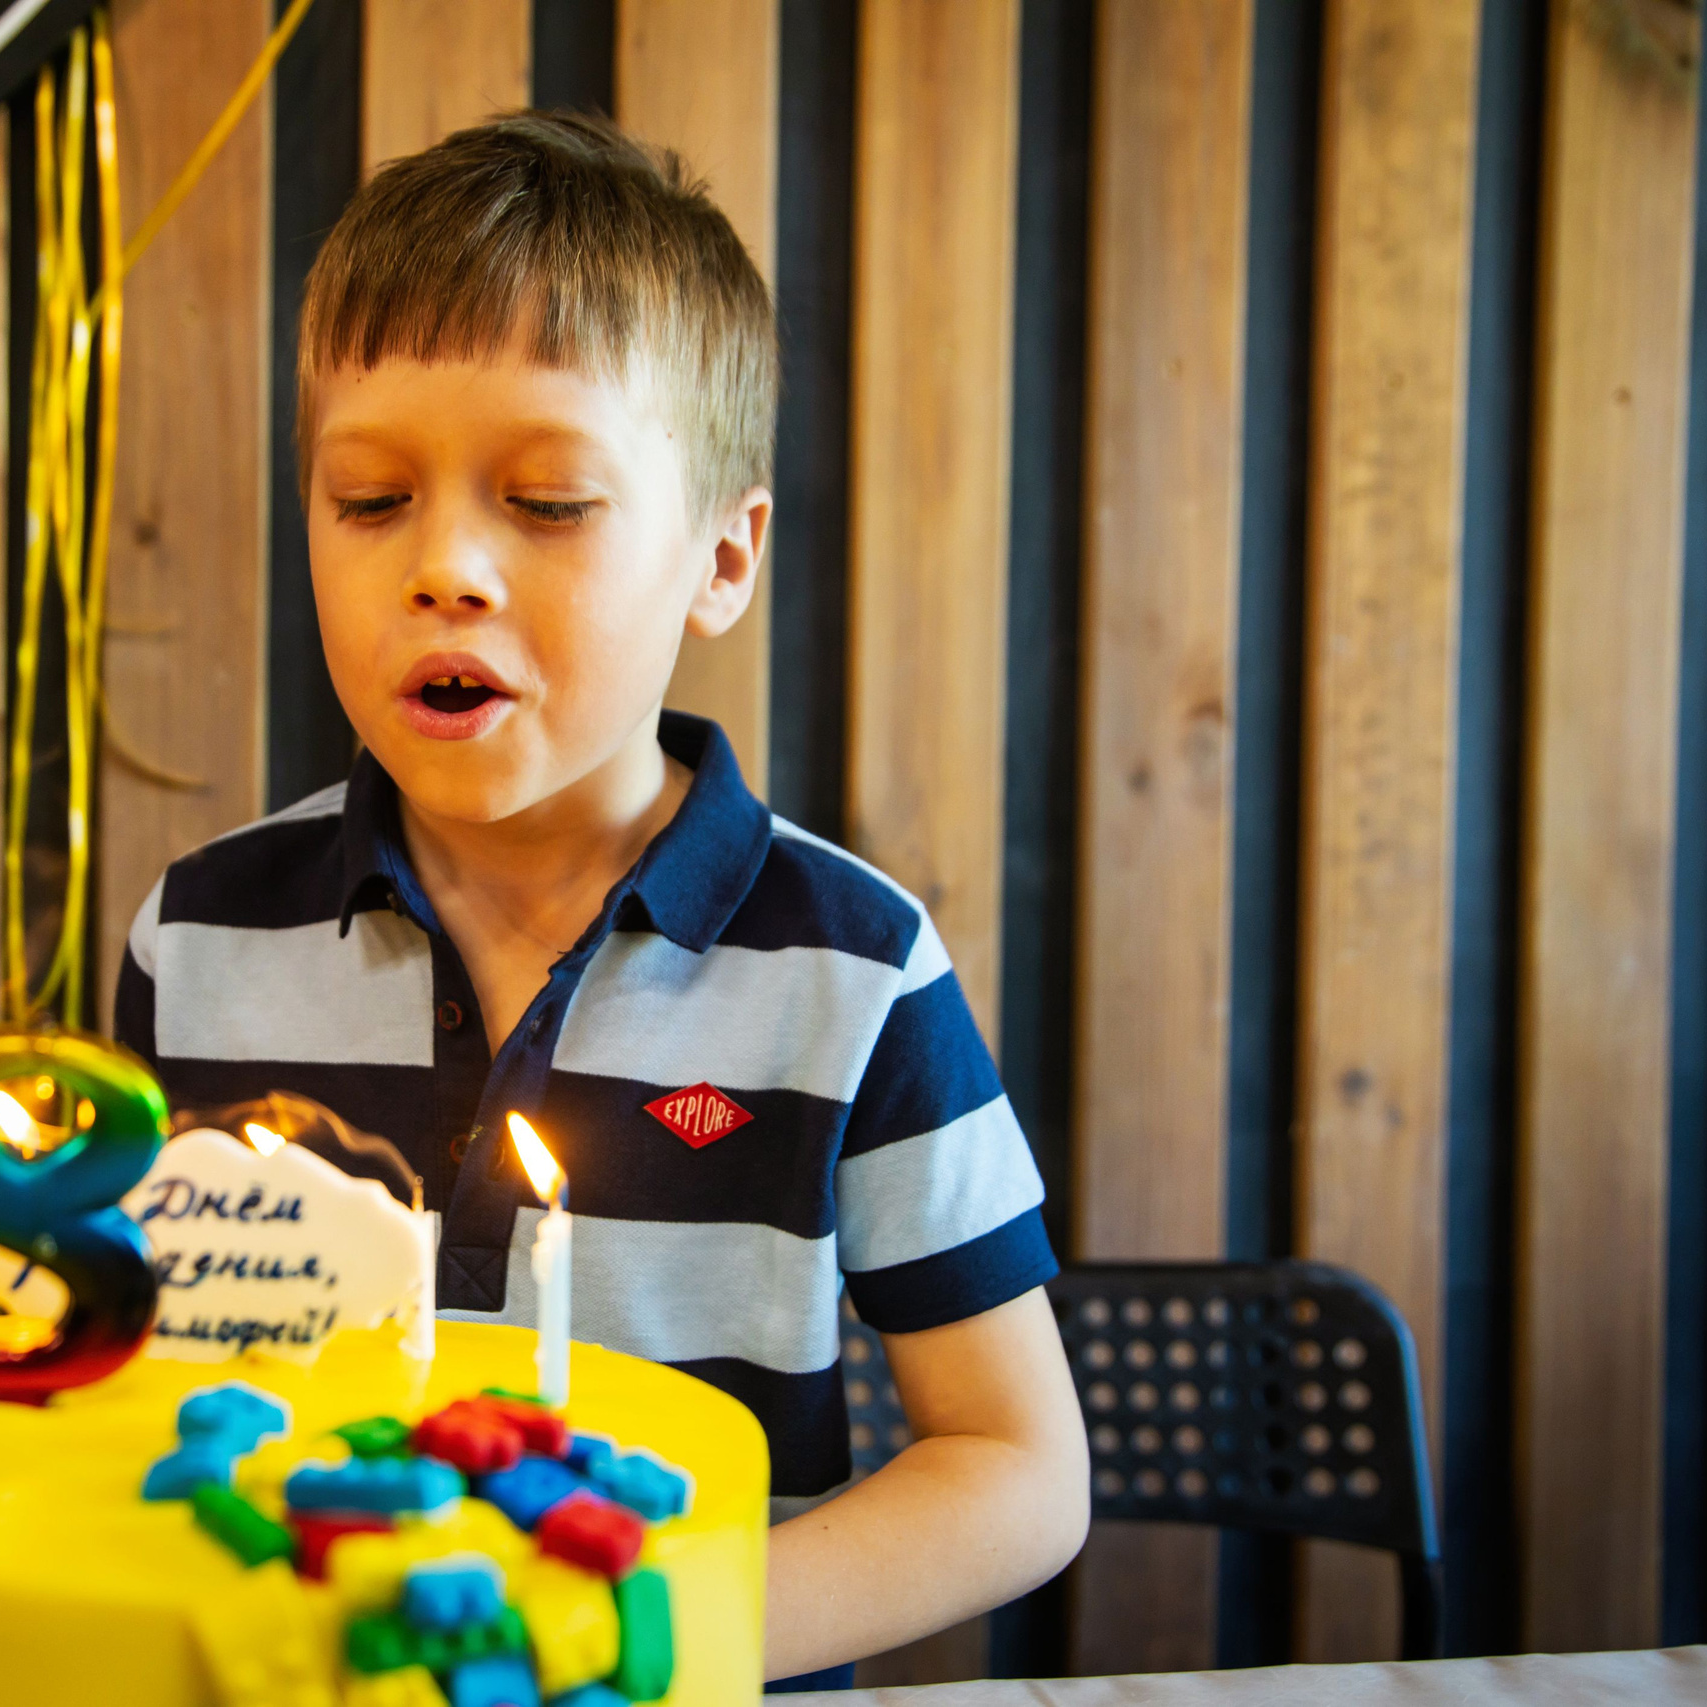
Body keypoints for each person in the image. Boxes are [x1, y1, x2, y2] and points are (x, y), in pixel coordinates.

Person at [113, 110, 1087, 1688]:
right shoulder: (201, 937)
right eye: (370, 500)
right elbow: (149, 1394)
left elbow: (1021, 1474)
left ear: (721, 556)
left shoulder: (852, 976)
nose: (448, 570)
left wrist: (642, 1643)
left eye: (549, 502)